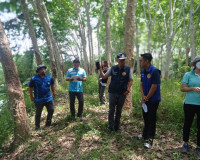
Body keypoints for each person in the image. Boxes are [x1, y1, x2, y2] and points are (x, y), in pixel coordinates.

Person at [100, 53, 133, 132]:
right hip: (112, 92)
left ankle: (117, 127)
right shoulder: (112, 68)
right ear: (118, 60)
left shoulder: (128, 69)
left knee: (119, 110)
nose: (123, 61)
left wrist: (128, 90)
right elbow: (104, 76)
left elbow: (130, 80)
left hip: (122, 93)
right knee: (111, 110)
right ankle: (111, 126)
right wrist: (101, 70)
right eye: (121, 60)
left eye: (124, 60)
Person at [139, 53, 161, 149]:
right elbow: (141, 84)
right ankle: (144, 135)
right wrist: (143, 96)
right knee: (145, 117)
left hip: (153, 100)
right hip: (146, 99)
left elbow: (154, 86)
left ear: (147, 61)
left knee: (152, 119)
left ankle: (150, 139)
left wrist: (147, 97)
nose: (140, 61)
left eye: (141, 60)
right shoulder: (143, 70)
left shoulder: (155, 71)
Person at [181, 55, 200, 157]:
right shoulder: (188, 74)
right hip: (189, 104)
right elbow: (183, 88)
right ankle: (185, 143)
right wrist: (193, 88)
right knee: (187, 124)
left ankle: (199, 147)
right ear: (195, 63)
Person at [28, 65, 56, 130]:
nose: (43, 70)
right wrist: (31, 97)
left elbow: (52, 85)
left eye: (44, 69)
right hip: (38, 99)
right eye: (41, 69)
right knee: (38, 113)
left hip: (48, 97)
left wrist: (54, 92)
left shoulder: (49, 77)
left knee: (51, 110)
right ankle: (37, 127)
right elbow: (30, 88)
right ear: (38, 71)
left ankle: (48, 124)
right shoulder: (34, 78)